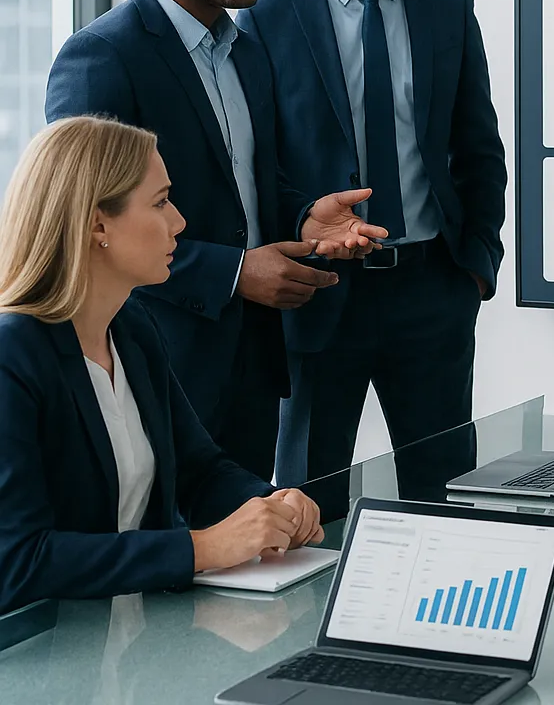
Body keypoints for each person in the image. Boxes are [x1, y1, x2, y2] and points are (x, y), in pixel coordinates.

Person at [45, 0, 387, 480]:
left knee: (250, 558)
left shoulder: (246, 49)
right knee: (170, 558)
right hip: (159, 358)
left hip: (253, 357)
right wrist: (234, 274)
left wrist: (306, 214)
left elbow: (250, 186)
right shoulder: (102, 56)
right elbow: (86, 222)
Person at [238, 0, 506, 504]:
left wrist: (474, 266)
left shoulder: (447, 6)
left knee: (443, 497)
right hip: (319, 294)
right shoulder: (263, 15)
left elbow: (479, 147)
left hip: (433, 290)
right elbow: (254, 160)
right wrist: (302, 224)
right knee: (306, 505)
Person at [0, 117, 324, 614]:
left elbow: (200, 470)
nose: (179, 222)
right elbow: (18, 561)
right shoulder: (12, 356)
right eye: (160, 202)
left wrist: (270, 505)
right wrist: (204, 548)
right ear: (96, 224)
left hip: (133, 640)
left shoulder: (131, 328)